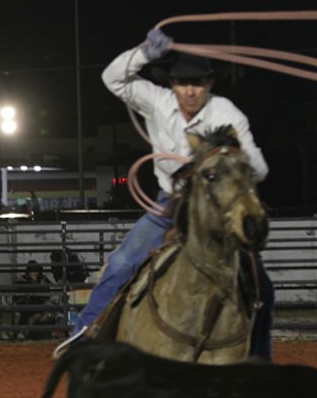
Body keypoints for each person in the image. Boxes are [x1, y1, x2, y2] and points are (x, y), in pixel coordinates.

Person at [63, 28, 274, 359]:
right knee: (122, 263)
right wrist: (145, 53)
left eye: (197, 83)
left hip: (214, 210)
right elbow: (112, 78)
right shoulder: (157, 101)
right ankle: (83, 337)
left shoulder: (227, 114)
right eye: (182, 83)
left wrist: (223, 160)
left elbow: (259, 169)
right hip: (170, 205)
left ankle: (260, 358)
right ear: (172, 85)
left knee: (262, 286)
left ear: (209, 84)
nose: (190, 91)